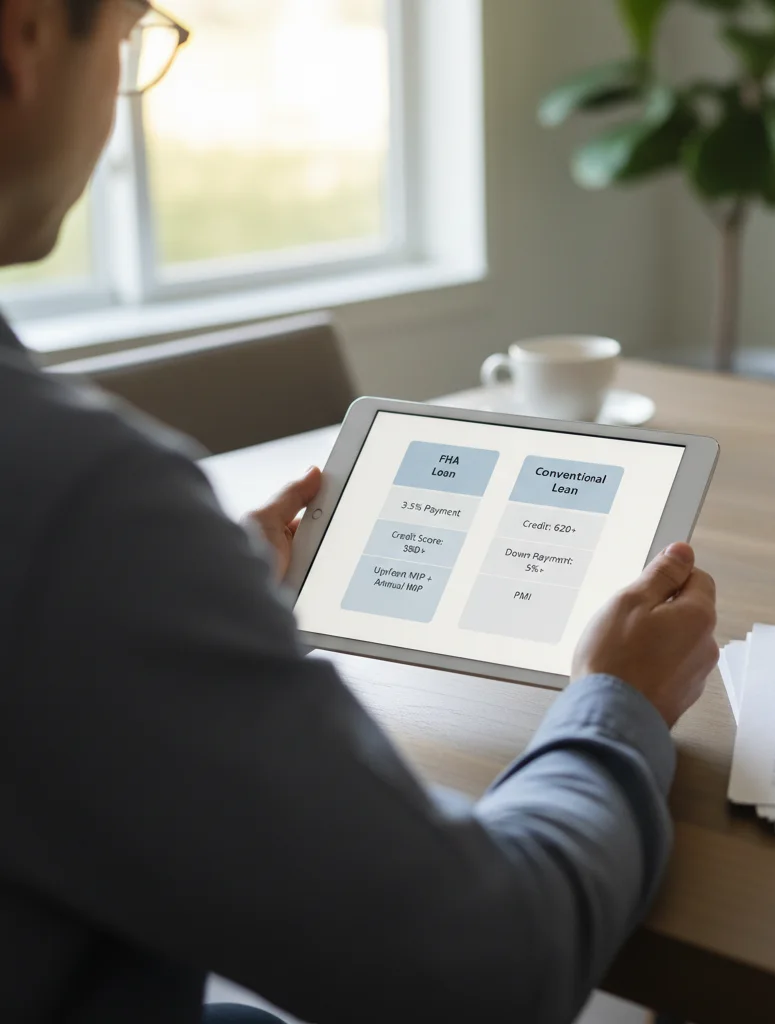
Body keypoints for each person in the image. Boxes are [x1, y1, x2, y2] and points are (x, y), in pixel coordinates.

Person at [0, 2, 719, 1023]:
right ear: (22, 39)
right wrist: (620, 704)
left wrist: (170, 593)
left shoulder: (79, 531)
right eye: (126, 35)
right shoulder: (77, 508)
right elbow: (482, 963)